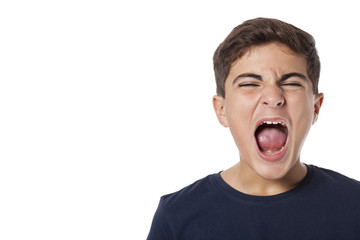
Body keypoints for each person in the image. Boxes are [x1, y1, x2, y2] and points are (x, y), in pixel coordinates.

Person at [146, 18, 360, 239]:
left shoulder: (355, 206)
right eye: (249, 83)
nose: (273, 97)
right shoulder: (177, 217)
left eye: (291, 83)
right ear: (221, 110)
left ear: (315, 107)